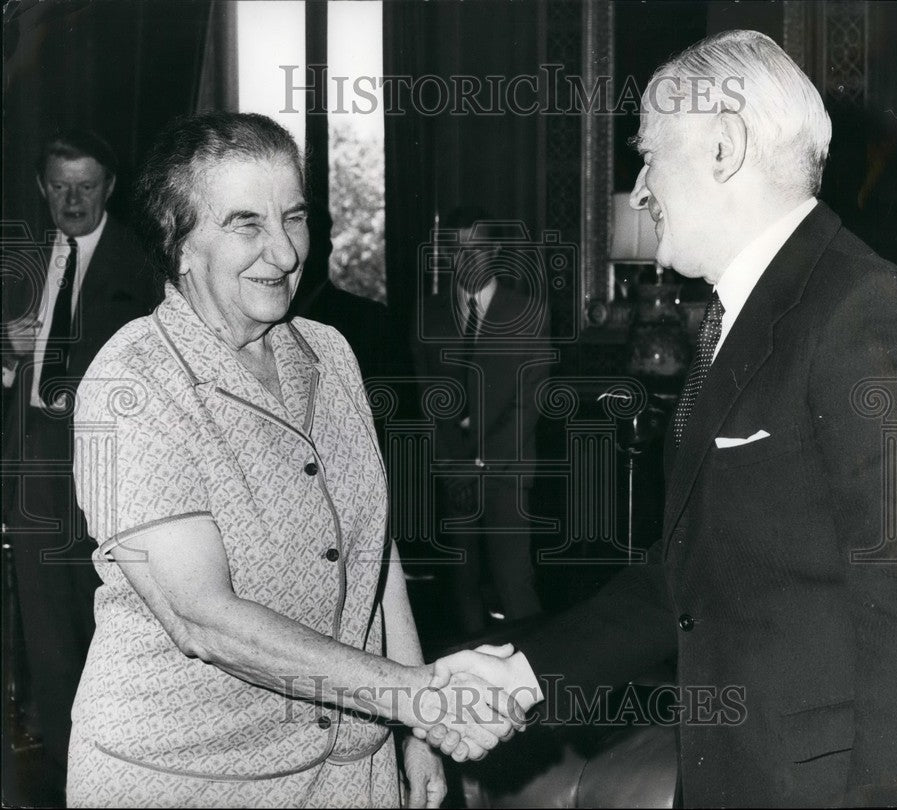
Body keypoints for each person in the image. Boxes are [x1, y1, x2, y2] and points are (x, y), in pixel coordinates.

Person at [427, 30, 897, 806]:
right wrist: (521, 673)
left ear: (723, 148)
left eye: (650, 154)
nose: (643, 188)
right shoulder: (745, 315)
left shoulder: (865, 312)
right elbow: (686, 580)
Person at [66, 112, 522, 808]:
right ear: (179, 242)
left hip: (351, 769)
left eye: (295, 216)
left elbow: (376, 557)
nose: (283, 252)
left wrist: (415, 731)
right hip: (192, 778)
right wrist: (417, 697)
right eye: (246, 223)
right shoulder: (132, 381)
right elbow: (202, 617)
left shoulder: (330, 353)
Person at [1, 129, 162, 793]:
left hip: (112, 473)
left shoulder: (145, 261)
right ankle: (73, 788)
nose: (73, 199)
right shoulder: (21, 261)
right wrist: (6, 354)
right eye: (61, 186)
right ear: (43, 188)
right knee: (49, 646)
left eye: (87, 185)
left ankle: (130, 785)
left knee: (120, 637)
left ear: (110, 188)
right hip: (36, 467)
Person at [412, 210, 549, 636]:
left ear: (494, 251)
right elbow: (428, 401)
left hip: (506, 472)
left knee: (515, 585)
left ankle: (536, 685)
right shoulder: (429, 315)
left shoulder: (528, 313)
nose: (464, 257)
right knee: (462, 585)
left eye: (474, 247)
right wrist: (454, 467)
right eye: (455, 249)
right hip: (454, 476)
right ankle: (473, 689)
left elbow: (529, 404)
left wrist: (481, 465)